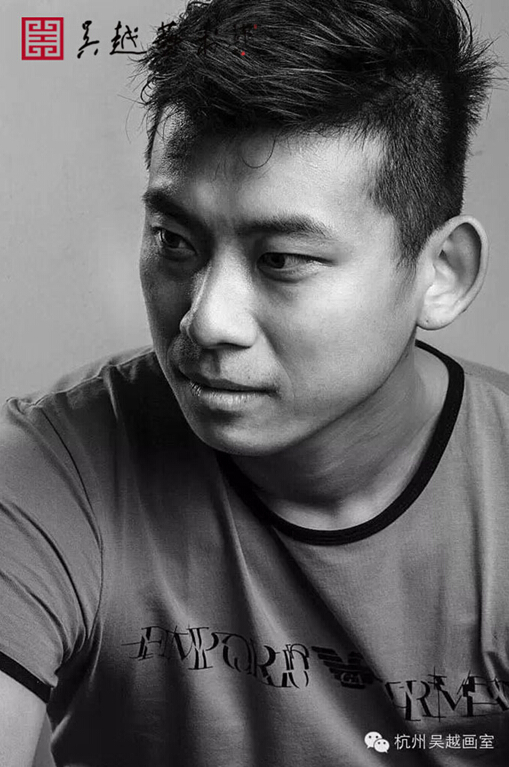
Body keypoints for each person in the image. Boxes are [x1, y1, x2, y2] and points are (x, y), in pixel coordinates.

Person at [0, 0, 506, 764]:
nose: (206, 320)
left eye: (281, 260)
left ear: (441, 273)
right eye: (175, 241)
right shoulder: (52, 467)